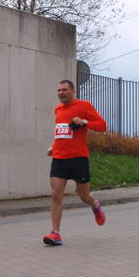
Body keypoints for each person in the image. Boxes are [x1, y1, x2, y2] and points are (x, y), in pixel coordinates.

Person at [44, 80, 107, 246]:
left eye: (64, 90)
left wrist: (84, 122)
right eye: (58, 90)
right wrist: (53, 147)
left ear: (73, 90)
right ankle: (55, 234)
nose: (60, 93)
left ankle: (94, 204)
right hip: (59, 158)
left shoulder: (84, 106)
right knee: (56, 194)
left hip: (79, 158)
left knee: (83, 195)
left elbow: (102, 126)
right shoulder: (58, 109)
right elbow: (62, 132)